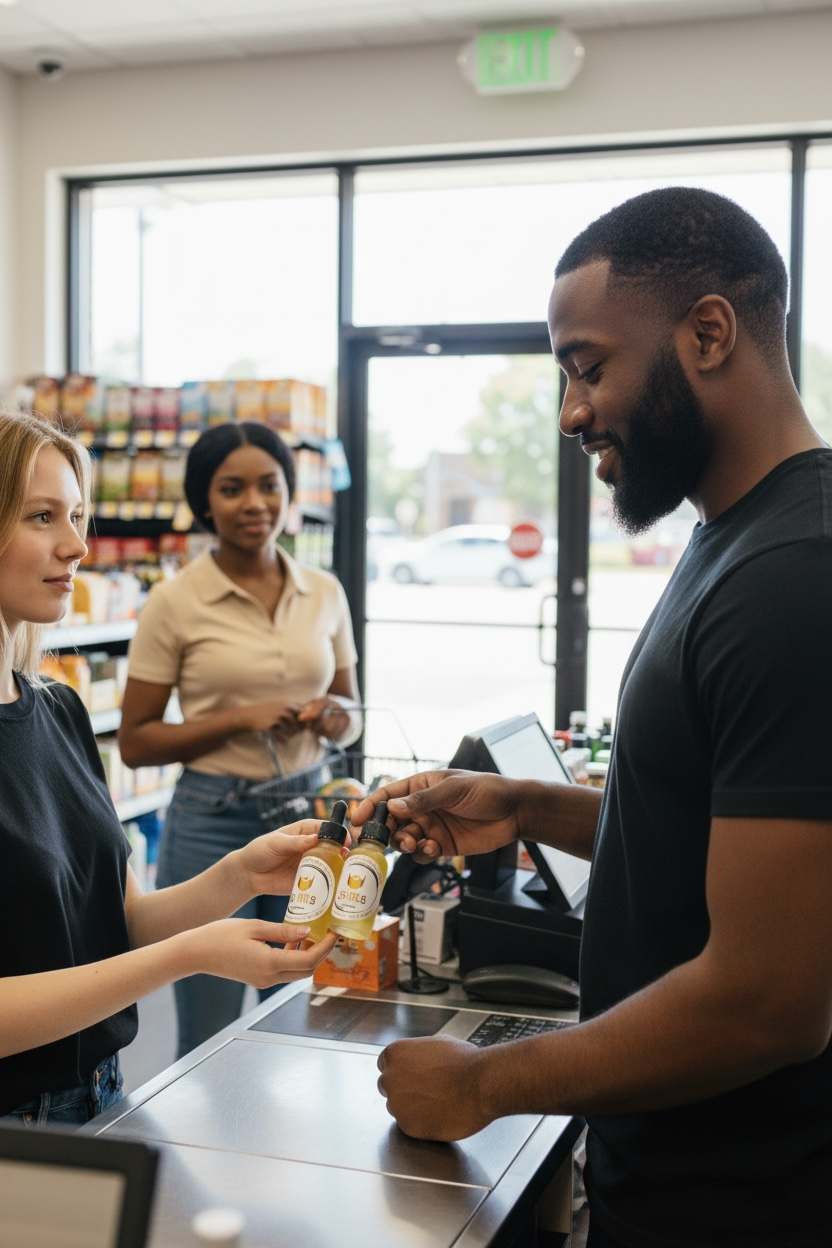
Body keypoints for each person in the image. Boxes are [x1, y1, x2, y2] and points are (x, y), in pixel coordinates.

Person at [354, 187, 832, 1248]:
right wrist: (530, 804)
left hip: (743, 1205)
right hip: (669, 1174)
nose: (571, 412)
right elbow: (708, 814)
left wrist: (482, 1084)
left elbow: (769, 998)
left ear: (707, 333)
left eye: (587, 365)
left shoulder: (795, 576)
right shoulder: (734, 539)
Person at [0, 409, 339, 1126]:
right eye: (42, 516)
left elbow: (121, 923)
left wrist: (242, 874)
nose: (77, 545)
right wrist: (189, 955)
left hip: (101, 1096)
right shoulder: (176, 604)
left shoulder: (59, 713)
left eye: (80, 516)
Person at [118, 421, 361, 1057]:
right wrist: (240, 717)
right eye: (232, 489)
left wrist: (335, 717)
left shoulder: (325, 592)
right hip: (211, 821)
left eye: (268, 486)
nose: (254, 503)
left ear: (290, 492)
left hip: (311, 821)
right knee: (209, 1031)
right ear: (205, 502)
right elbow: (136, 743)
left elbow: (352, 712)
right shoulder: (174, 602)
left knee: (302, 1017)